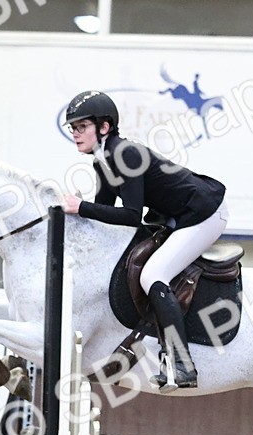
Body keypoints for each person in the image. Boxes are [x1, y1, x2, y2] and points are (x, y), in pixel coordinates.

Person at [60, 90, 229, 392]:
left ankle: (182, 363)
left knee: (154, 274)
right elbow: (105, 215)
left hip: (205, 213)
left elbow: (130, 216)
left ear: (104, 127)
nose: (75, 134)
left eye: (81, 126)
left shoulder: (126, 154)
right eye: (72, 128)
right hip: (181, 215)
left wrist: (80, 206)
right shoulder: (103, 161)